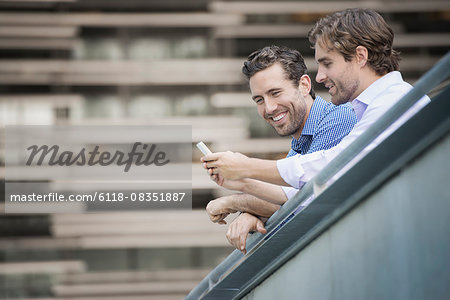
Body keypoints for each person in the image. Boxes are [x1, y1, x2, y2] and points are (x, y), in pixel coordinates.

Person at [202, 8, 430, 251]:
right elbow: (302, 195)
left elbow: (329, 175)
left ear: (360, 57)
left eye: (327, 64)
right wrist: (242, 184)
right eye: (259, 99)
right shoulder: (367, 109)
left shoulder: (387, 104)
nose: (320, 76)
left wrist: (245, 172)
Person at [205, 45, 357, 253]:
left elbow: (305, 203)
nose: (269, 108)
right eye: (259, 100)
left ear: (304, 85)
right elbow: (287, 198)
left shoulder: (337, 120)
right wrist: (248, 209)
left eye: (275, 93)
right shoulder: (299, 144)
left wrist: (236, 202)